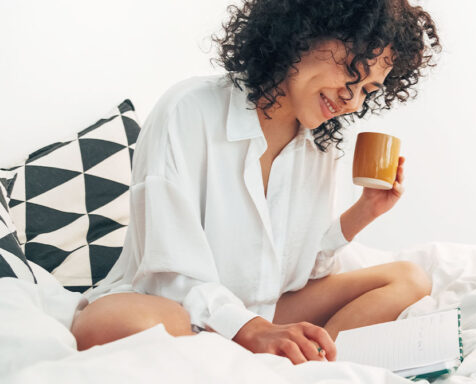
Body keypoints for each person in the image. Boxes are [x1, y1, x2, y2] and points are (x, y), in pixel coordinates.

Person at [71, 0, 441, 365]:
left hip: (265, 312)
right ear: (302, 34)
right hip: (178, 309)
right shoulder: (188, 109)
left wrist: (364, 212)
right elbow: (169, 270)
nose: (352, 101)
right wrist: (249, 327)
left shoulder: (318, 147)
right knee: (114, 324)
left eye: (368, 90)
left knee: (409, 278)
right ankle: (260, 356)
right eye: (352, 72)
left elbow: (299, 272)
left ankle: (314, 367)